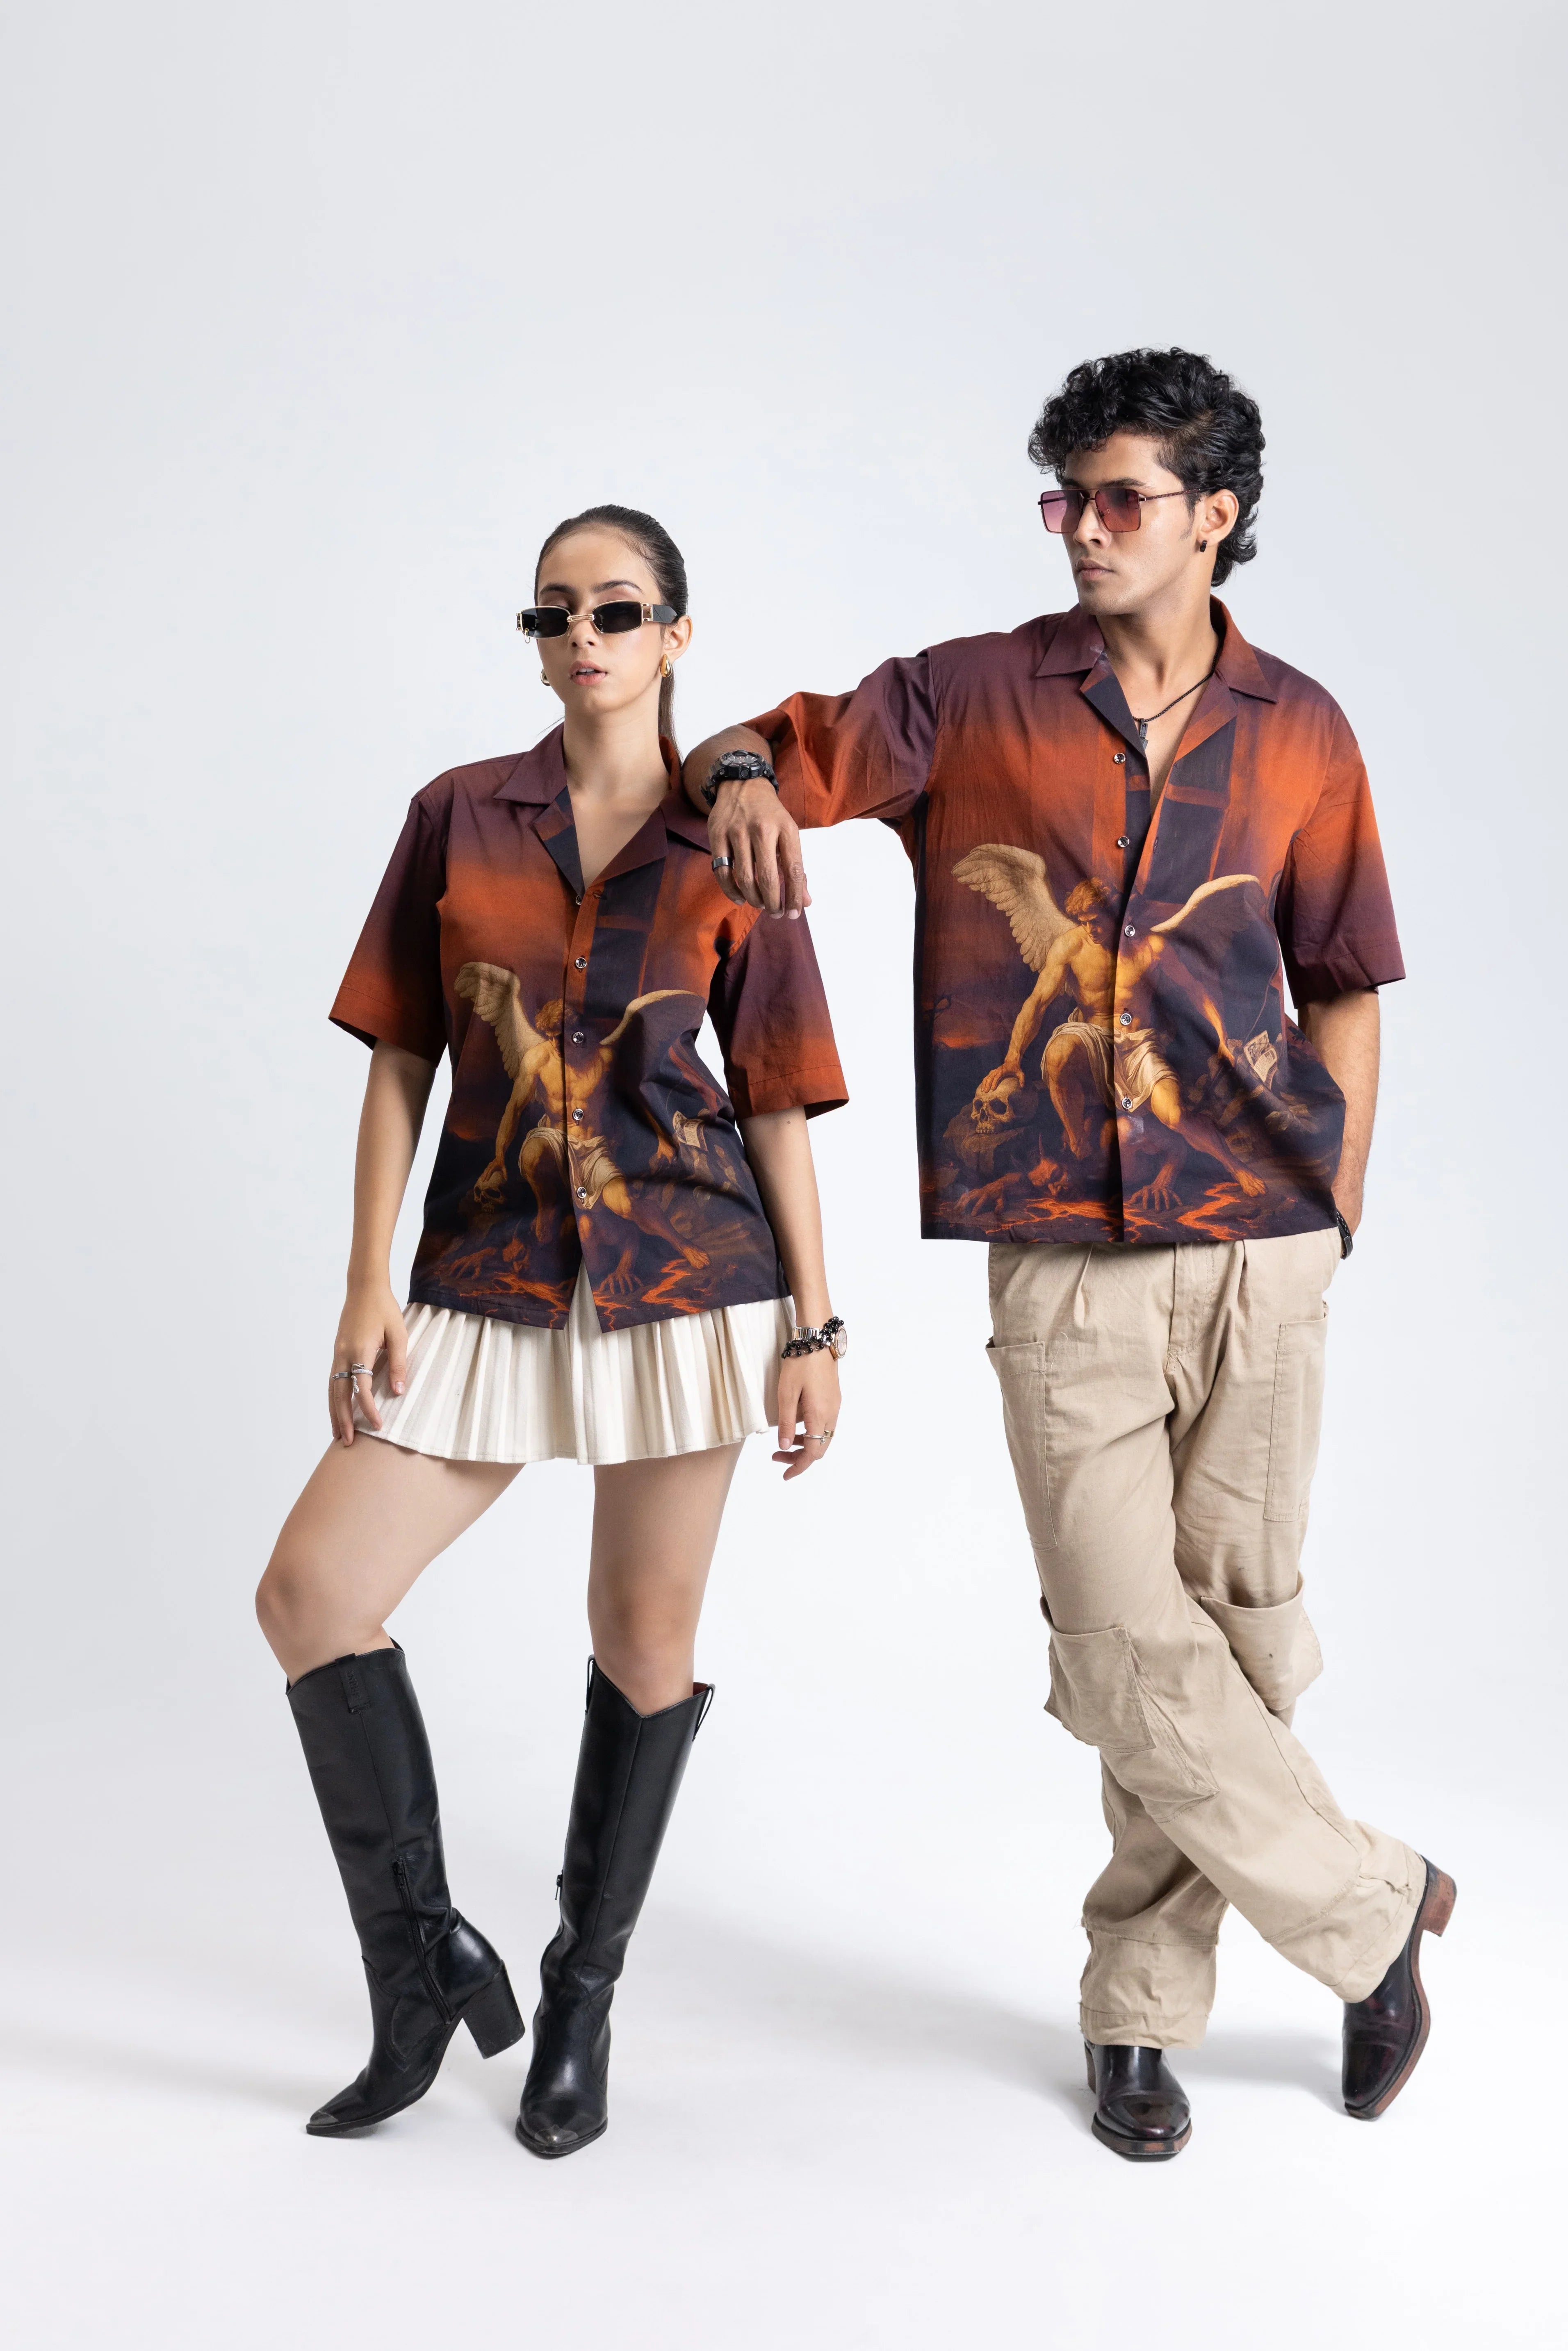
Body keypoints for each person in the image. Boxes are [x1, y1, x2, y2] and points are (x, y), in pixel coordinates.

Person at [685, 350, 1453, 2162]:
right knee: (1119, 1637)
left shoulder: (1302, 730)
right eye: (1066, 501)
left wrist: (1335, 1209)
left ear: (1215, 517)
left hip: (1263, 1242)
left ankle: (1135, 2014)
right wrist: (736, 776)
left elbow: (1345, 982)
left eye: (1120, 501)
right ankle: (1373, 1911)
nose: (1084, 532)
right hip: (1055, 1248)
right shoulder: (967, 697)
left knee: (1234, 1633)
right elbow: (755, 744)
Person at [256, 503, 848, 2159]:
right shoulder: (458, 816)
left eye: (618, 610)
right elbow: (401, 1055)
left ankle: (579, 2001)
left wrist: (817, 1328)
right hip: (490, 1264)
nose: (582, 637)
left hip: (686, 1277)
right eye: (553, 613)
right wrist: (366, 1278)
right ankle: (421, 1966)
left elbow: (777, 1099)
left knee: (641, 1640)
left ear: (675, 635)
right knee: (312, 1597)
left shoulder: (736, 837)